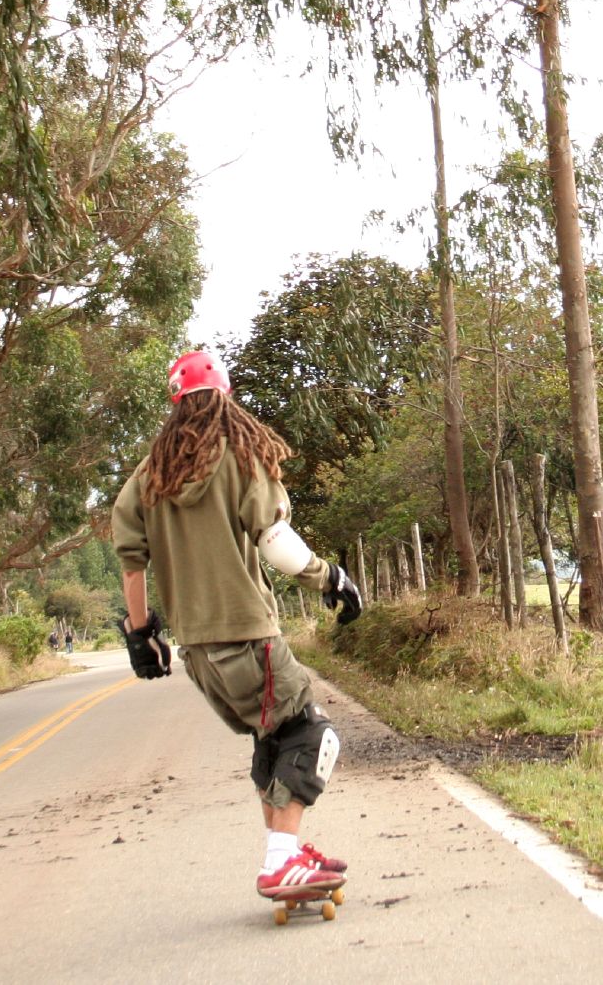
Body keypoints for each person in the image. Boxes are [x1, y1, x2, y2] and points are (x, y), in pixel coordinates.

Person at [111, 350, 364, 903]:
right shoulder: (242, 457)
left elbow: (132, 557)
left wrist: (141, 633)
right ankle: (279, 863)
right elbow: (275, 542)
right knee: (312, 734)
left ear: (175, 404)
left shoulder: (150, 474)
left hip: (199, 651)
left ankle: (287, 852)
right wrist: (331, 578)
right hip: (249, 635)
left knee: (271, 741)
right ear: (224, 397)